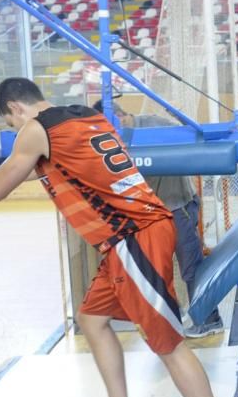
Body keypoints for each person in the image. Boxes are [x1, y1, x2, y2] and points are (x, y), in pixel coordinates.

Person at [0, 79, 238, 397]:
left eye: (12, 126)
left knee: (168, 344)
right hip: (128, 239)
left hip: (134, 237)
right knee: (92, 319)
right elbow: (34, 168)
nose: (16, 133)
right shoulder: (87, 118)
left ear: (15, 109)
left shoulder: (36, 130)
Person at [92, 99, 223, 339]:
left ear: (119, 117)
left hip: (178, 205)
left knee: (191, 268)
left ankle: (210, 320)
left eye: (106, 126)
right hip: (155, 214)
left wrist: (180, 115)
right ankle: (175, 317)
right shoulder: (113, 143)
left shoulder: (154, 125)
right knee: (156, 270)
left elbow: (191, 135)